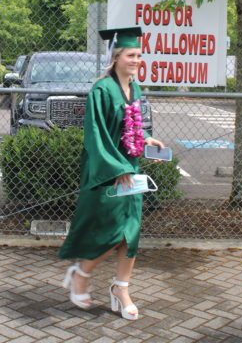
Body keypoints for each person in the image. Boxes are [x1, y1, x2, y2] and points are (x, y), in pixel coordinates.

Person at [59, 26, 164, 320]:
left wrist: (146, 141)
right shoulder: (101, 90)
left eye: (139, 55)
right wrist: (116, 168)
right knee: (111, 232)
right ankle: (81, 274)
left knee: (130, 233)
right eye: (131, 55)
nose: (136, 60)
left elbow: (130, 129)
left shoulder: (135, 88)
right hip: (107, 172)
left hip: (130, 171)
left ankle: (121, 288)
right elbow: (96, 134)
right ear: (116, 56)